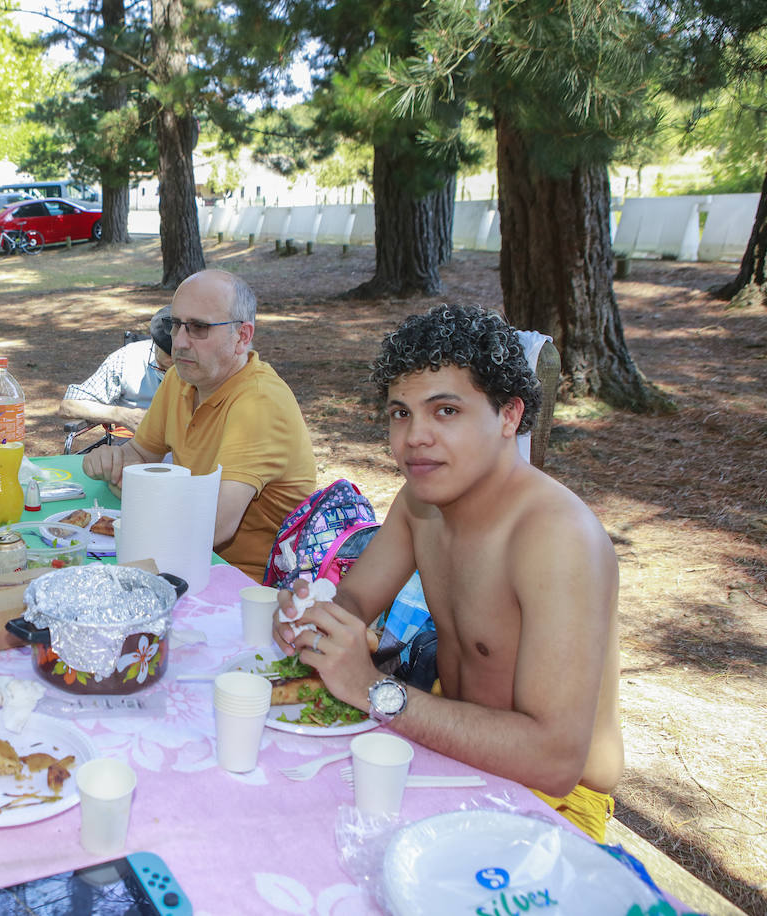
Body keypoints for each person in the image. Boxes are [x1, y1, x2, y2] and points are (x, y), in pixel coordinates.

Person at [274, 304, 623, 841]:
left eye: (446, 411)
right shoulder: (419, 504)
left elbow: (556, 760)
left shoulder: (557, 539)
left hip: (551, 801)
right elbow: (354, 602)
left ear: (509, 416)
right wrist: (313, 617)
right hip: (444, 743)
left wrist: (373, 689)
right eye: (400, 413)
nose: (415, 437)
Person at [82, 270, 315, 581]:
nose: (179, 342)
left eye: (198, 328)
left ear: (242, 337)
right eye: (176, 324)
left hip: (245, 583)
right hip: (186, 559)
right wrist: (114, 460)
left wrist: (140, 492)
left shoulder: (259, 403)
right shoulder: (183, 377)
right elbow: (140, 454)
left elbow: (213, 526)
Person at [58, 306, 174, 432]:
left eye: (176, 371)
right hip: (133, 445)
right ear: (154, 343)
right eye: (162, 369)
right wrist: (122, 415)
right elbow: (69, 405)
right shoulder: (129, 358)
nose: (170, 376)